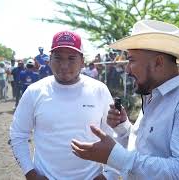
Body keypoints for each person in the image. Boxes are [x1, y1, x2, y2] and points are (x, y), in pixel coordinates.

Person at [71, 20, 179, 180]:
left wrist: (115, 156)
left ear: (158, 62)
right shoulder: (154, 97)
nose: (127, 69)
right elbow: (146, 148)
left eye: (132, 60)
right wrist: (123, 128)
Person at [9, 30, 119, 180]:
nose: (64, 65)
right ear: (49, 60)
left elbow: (113, 135)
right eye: (58, 58)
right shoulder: (34, 92)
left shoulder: (99, 90)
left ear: (82, 61)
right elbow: (18, 135)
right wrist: (31, 174)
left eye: (71, 58)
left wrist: (108, 175)